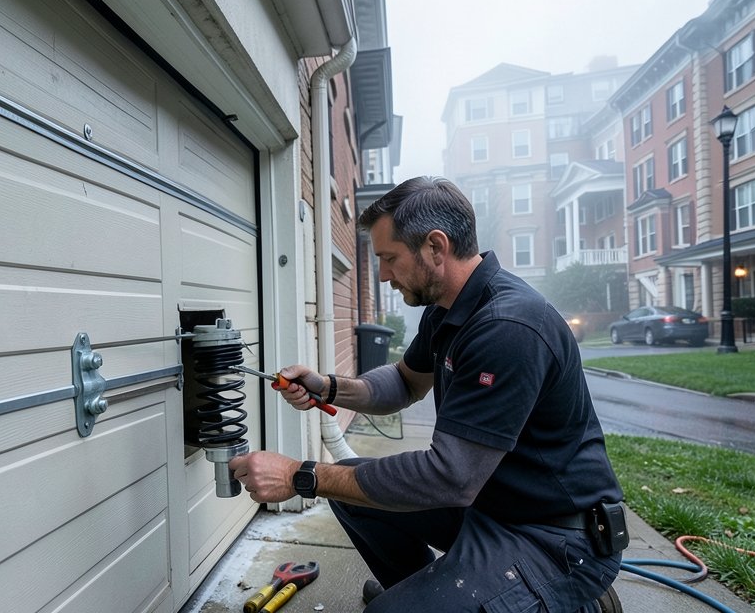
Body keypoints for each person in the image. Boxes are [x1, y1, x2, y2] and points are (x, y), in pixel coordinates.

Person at [228, 176, 625, 612]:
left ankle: (578, 602)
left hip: (557, 539)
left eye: (389, 258)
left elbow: (448, 476)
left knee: (342, 498)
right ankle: (418, 591)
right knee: (351, 493)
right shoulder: (447, 311)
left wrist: (301, 475)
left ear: (436, 247)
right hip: (490, 508)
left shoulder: (507, 327)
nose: (382, 275)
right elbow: (403, 382)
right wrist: (330, 387)